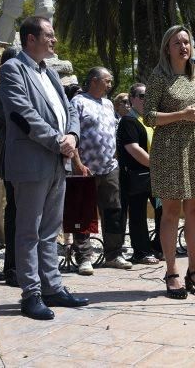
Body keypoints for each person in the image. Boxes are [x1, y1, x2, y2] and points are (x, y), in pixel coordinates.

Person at [0, 16, 87, 320]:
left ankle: (53, 287)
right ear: (30, 39)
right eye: (49, 35)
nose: (54, 40)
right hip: (31, 162)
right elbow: (22, 115)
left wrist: (73, 136)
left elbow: (70, 108)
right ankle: (31, 293)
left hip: (57, 162)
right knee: (29, 231)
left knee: (50, 231)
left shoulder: (49, 73)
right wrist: (57, 141)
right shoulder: (13, 69)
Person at [144, 25, 195, 299]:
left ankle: (194, 270)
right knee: (171, 211)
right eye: (177, 43)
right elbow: (149, 116)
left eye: (187, 42)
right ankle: (172, 271)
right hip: (169, 149)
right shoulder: (159, 76)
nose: (184, 47)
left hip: (194, 146)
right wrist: (181, 115)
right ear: (167, 48)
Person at [71, 67, 132, 273]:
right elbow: (72, 133)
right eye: (107, 80)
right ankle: (84, 258)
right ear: (94, 81)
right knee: (82, 214)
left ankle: (113, 254)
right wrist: (77, 163)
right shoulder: (78, 102)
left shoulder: (108, 104)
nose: (110, 84)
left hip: (109, 167)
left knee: (114, 211)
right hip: (85, 167)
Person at [117, 83, 160, 264]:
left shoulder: (150, 120)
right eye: (142, 96)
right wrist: (156, 165)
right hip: (137, 175)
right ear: (132, 99)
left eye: (148, 96)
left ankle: (158, 247)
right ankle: (141, 252)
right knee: (138, 214)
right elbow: (134, 149)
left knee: (163, 211)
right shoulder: (128, 121)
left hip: (155, 174)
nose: (146, 99)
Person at [0, 47, 19, 287]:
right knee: (17, 215)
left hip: (34, 163)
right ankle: (12, 268)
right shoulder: (1, 95)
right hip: (14, 161)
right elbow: (18, 123)